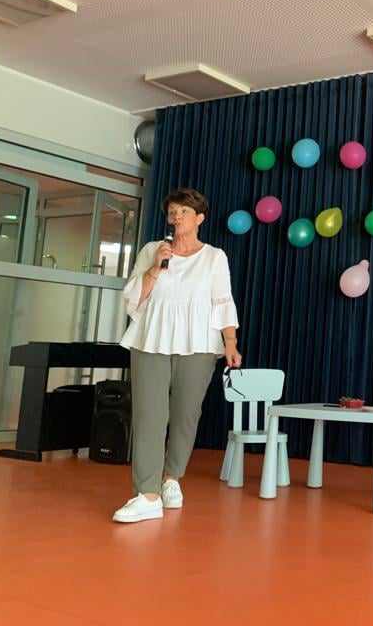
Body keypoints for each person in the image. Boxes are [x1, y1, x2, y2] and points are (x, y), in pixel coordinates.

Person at [112, 188, 242, 523]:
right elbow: (134, 298)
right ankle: (147, 494)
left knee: (186, 415)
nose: (177, 216)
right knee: (148, 415)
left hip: (198, 343)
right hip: (151, 338)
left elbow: (223, 301)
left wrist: (230, 342)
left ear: (200, 218)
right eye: (173, 211)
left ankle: (171, 478)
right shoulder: (153, 250)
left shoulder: (214, 257)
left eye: (184, 211)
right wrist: (155, 268)